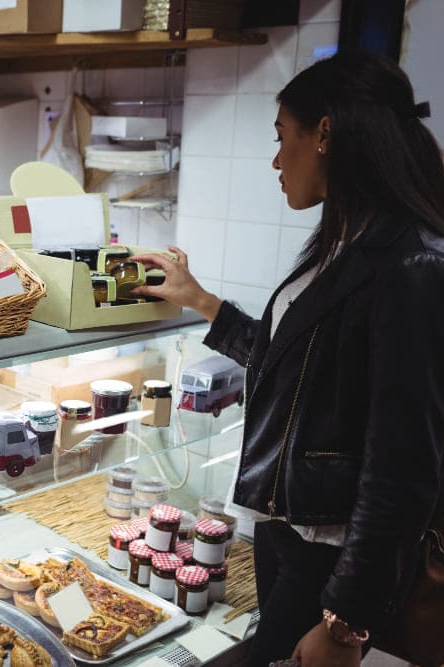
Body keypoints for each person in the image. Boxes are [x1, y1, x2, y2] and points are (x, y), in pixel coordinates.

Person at [131, 50, 444, 667]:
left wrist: (348, 621)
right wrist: (201, 301)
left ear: (324, 132)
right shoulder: (348, 241)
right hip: (287, 533)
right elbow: (302, 371)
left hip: (332, 557)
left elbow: (404, 467)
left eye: (282, 138)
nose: (276, 160)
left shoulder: (413, 263)